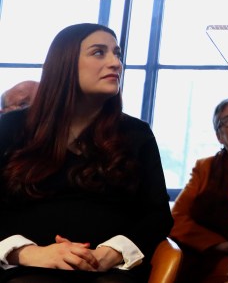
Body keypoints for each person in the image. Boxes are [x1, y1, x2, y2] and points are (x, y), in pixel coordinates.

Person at [0, 23, 173, 283]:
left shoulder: (136, 134)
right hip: (24, 269)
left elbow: (157, 216)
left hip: (108, 272)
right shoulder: (12, 127)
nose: (116, 63)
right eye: (99, 52)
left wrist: (113, 252)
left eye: (117, 54)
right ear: (65, 63)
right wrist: (27, 253)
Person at [170, 97, 228, 283]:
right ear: (219, 136)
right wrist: (220, 245)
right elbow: (177, 219)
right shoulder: (205, 168)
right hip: (217, 257)